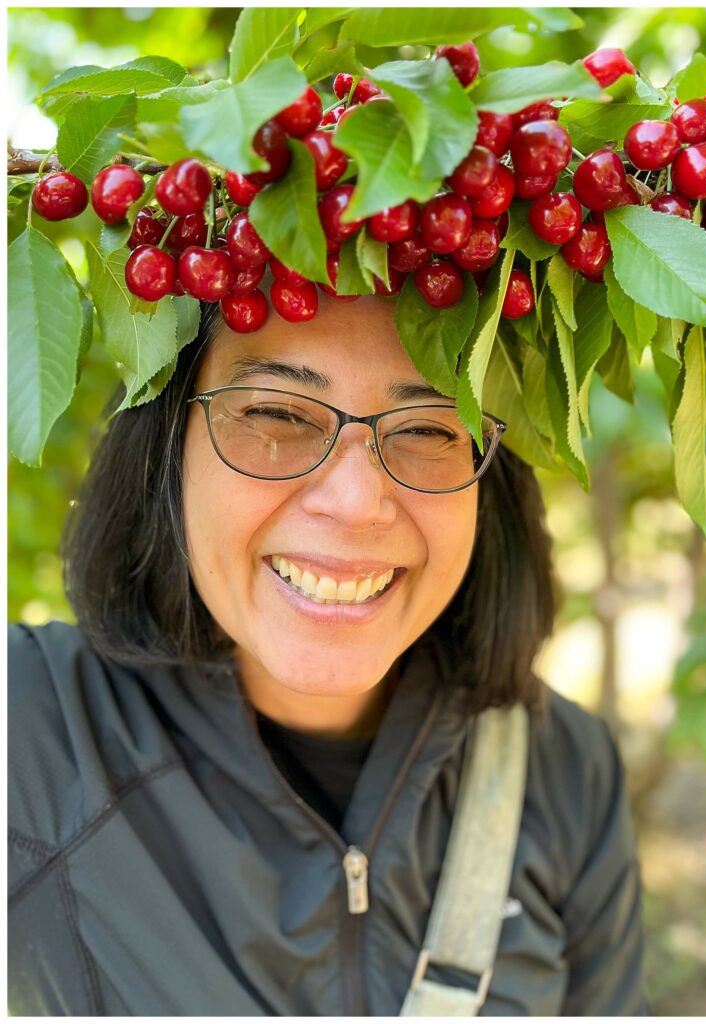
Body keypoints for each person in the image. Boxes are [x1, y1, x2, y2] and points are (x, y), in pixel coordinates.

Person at [8, 291, 647, 1015]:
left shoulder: (566, 771)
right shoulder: (28, 740)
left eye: (428, 427)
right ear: (164, 440)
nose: (355, 501)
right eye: (276, 415)